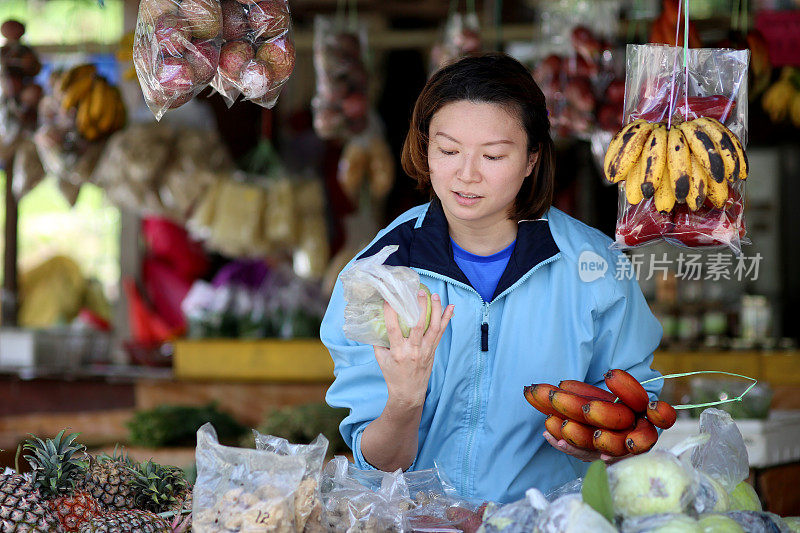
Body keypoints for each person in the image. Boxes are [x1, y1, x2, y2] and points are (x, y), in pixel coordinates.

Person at [320, 53, 663, 503]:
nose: (467, 174)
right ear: (425, 149)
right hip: (419, 523)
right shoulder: (380, 274)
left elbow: (637, 409)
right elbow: (381, 464)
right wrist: (404, 400)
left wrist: (595, 445)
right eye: (447, 151)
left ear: (531, 159)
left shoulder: (593, 267)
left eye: (494, 155)